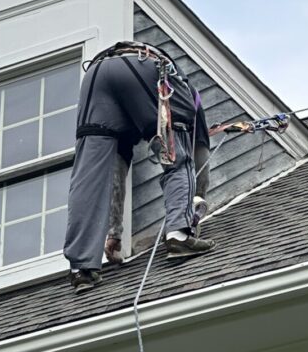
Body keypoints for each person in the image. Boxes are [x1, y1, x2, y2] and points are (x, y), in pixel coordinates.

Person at [63, 42, 214, 293]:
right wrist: (196, 206)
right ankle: (179, 236)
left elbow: (115, 172)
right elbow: (199, 160)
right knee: (177, 156)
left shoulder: (125, 115)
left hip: (96, 74)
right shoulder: (189, 95)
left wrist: (114, 232)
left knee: (91, 172)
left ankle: (82, 269)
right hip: (143, 64)